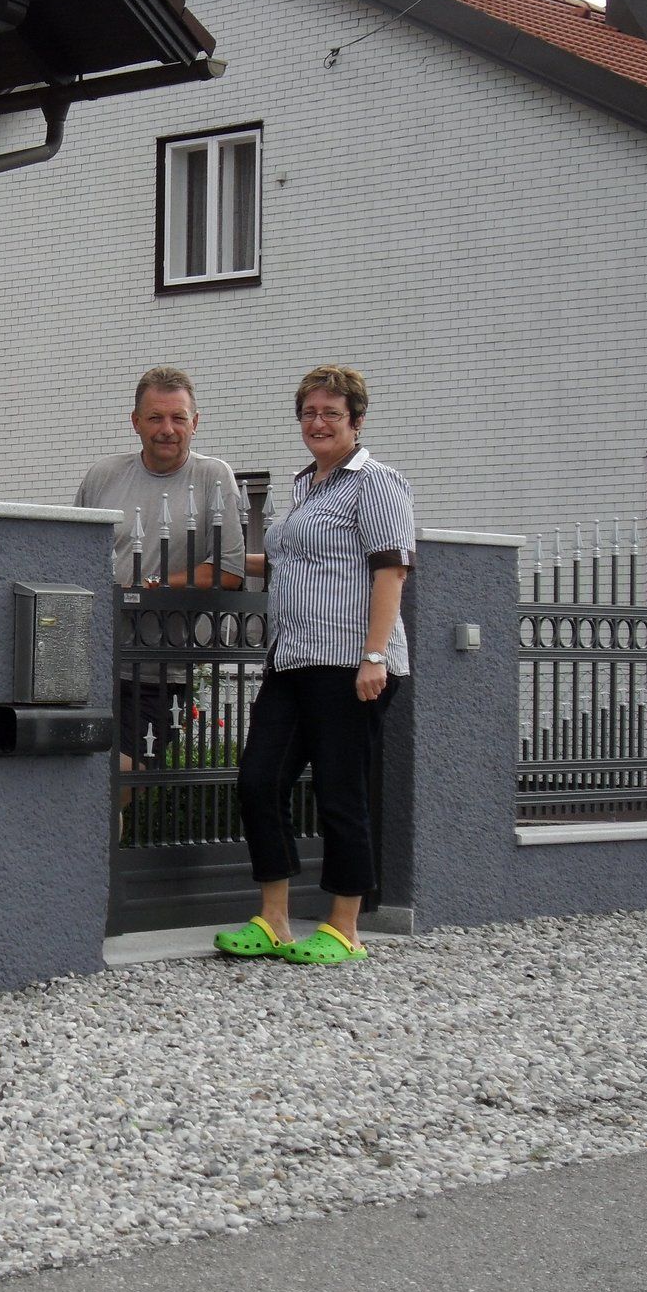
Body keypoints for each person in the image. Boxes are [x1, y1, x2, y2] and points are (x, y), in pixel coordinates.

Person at [215, 365, 413, 967]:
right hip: (292, 659)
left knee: (339, 793)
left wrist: (374, 656)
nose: (318, 423)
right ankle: (274, 920)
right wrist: (203, 562)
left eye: (331, 413)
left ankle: (344, 929)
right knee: (259, 780)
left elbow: (390, 571)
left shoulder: (375, 483)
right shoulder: (304, 487)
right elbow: (287, 563)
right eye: (309, 413)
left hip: (352, 664)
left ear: (356, 419)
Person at [77, 367, 246, 772]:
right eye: (155, 418)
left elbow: (229, 571)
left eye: (178, 418)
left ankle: (103, 836)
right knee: (82, 772)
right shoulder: (104, 475)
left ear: (195, 422)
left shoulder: (213, 477)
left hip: (162, 666)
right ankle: (101, 839)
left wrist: (152, 586)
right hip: (98, 656)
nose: (167, 429)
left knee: (122, 771)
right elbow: (77, 557)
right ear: (135, 422)